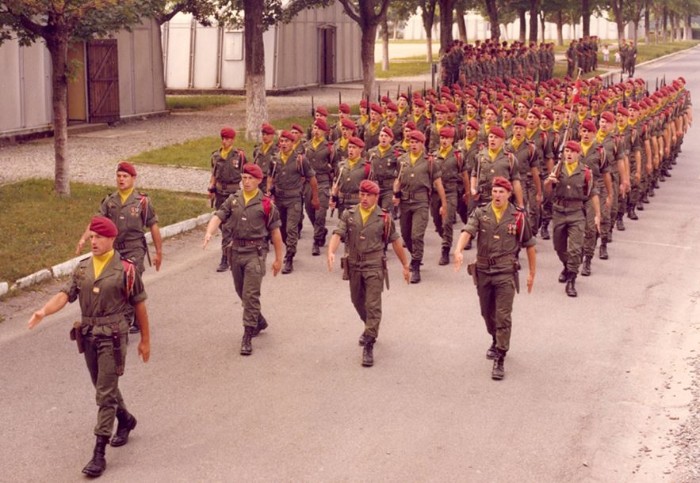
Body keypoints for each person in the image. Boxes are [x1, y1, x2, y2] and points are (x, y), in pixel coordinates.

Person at [30, 216, 151, 477]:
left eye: (98, 237)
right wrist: (43, 311)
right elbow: (65, 295)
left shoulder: (126, 270)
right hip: (89, 334)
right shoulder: (83, 268)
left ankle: (99, 453)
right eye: (92, 237)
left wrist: (145, 340)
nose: (93, 241)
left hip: (113, 335)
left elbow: (140, 304)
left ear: (111, 239)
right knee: (102, 386)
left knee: (105, 393)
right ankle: (126, 420)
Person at [454, 177, 536, 381]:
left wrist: (532, 273)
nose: (497, 195)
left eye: (502, 192)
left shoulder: (517, 216)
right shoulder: (481, 212)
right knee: (486, 313)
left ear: (509, 194)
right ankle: (494, 337)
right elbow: (467, 231)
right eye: (495, 191)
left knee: (503, 315)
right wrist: (458, 250)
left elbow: (529, 245)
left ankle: (500, 355)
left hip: (505, 271)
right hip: (482, 270)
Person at [327, 180, 410, 367]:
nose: (364, 198)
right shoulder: (349, 214)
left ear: (376, 197)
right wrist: (331, 251)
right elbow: (337, 234)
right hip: (354, 264)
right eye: (361, 194)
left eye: (368, 195)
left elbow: (396, 242)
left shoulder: (384, 218)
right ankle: (370, 325)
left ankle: (369, 343)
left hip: (374, 265)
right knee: (357, 300)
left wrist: (405, 265)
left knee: (373, 304)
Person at [203, 164, 284, 355]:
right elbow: (219, 216)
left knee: (250, 294)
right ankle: (259, 320)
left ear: (258, 180)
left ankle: (247, 334)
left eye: (250, 178)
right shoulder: (234, 199)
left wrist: (278, 259)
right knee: (241, 291)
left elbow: (275, 233)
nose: (246, 181)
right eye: (244, 177)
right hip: (236, 251)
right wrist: (209, 232)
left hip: (255, 253)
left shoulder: (266, 204)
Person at [76, 161, 162, 334]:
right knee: (116, 285)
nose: (121, 179)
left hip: (135, 248)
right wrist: (83, 238)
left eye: (125, 176)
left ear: (133, 179)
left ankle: (124, 323)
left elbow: (153, 226)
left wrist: (159, 252)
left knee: (129, 281)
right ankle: (136, 315)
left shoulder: (142, 202)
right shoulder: (110, 201)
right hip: (115, 249)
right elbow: (96, 223)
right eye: (119, 176)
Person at [544, 141, 601, 297]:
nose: (568, 154)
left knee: (575, 249)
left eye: (572, 151)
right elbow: (548, 191)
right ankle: (567, 266)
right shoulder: (558, 168)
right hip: (559, 211)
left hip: (577, 212)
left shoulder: (586, 172)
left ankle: (571, 280)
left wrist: (597, 215)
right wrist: (550, 181)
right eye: (566, 151)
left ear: (578, 154)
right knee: (559, 247)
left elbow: (593, 193)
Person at [393, 129, 448, 283]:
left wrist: (444, 204)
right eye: (411, 142)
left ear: (423, 144)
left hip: (421, 202)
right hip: (405, 202)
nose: (413, 144)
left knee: (417, 235)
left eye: (416, 142)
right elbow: (397, 180)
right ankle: (415, 255)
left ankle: (416, 265)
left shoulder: (430, 162)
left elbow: (438, 184)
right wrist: (395, 195)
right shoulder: (402, 160)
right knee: (405, 234)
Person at [267, 130, 320, 274]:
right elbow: (270, 177)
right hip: (279, 199)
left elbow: (312, 179)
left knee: (291, 229)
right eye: (281, 141)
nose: (283, 144)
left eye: (286, 141)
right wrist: (268, 191)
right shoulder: (275, 159)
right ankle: (288, 247)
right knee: (281, 230)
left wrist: (315, 198)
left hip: (294, 199)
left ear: (292, 143)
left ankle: (289, 257)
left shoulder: (300, 160)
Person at [208, 126, 245, 272]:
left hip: (233, 193)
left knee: (231, 225)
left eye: (228, 139)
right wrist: (210, 188)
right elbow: (213, 174)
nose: (225, 141)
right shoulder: (216, 156)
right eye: (223, 139)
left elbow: (246, 173)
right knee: (223, 224)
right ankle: (230, 249)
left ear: (233, 140)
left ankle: (225, 257)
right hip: (219, 193)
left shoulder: (239, 156)